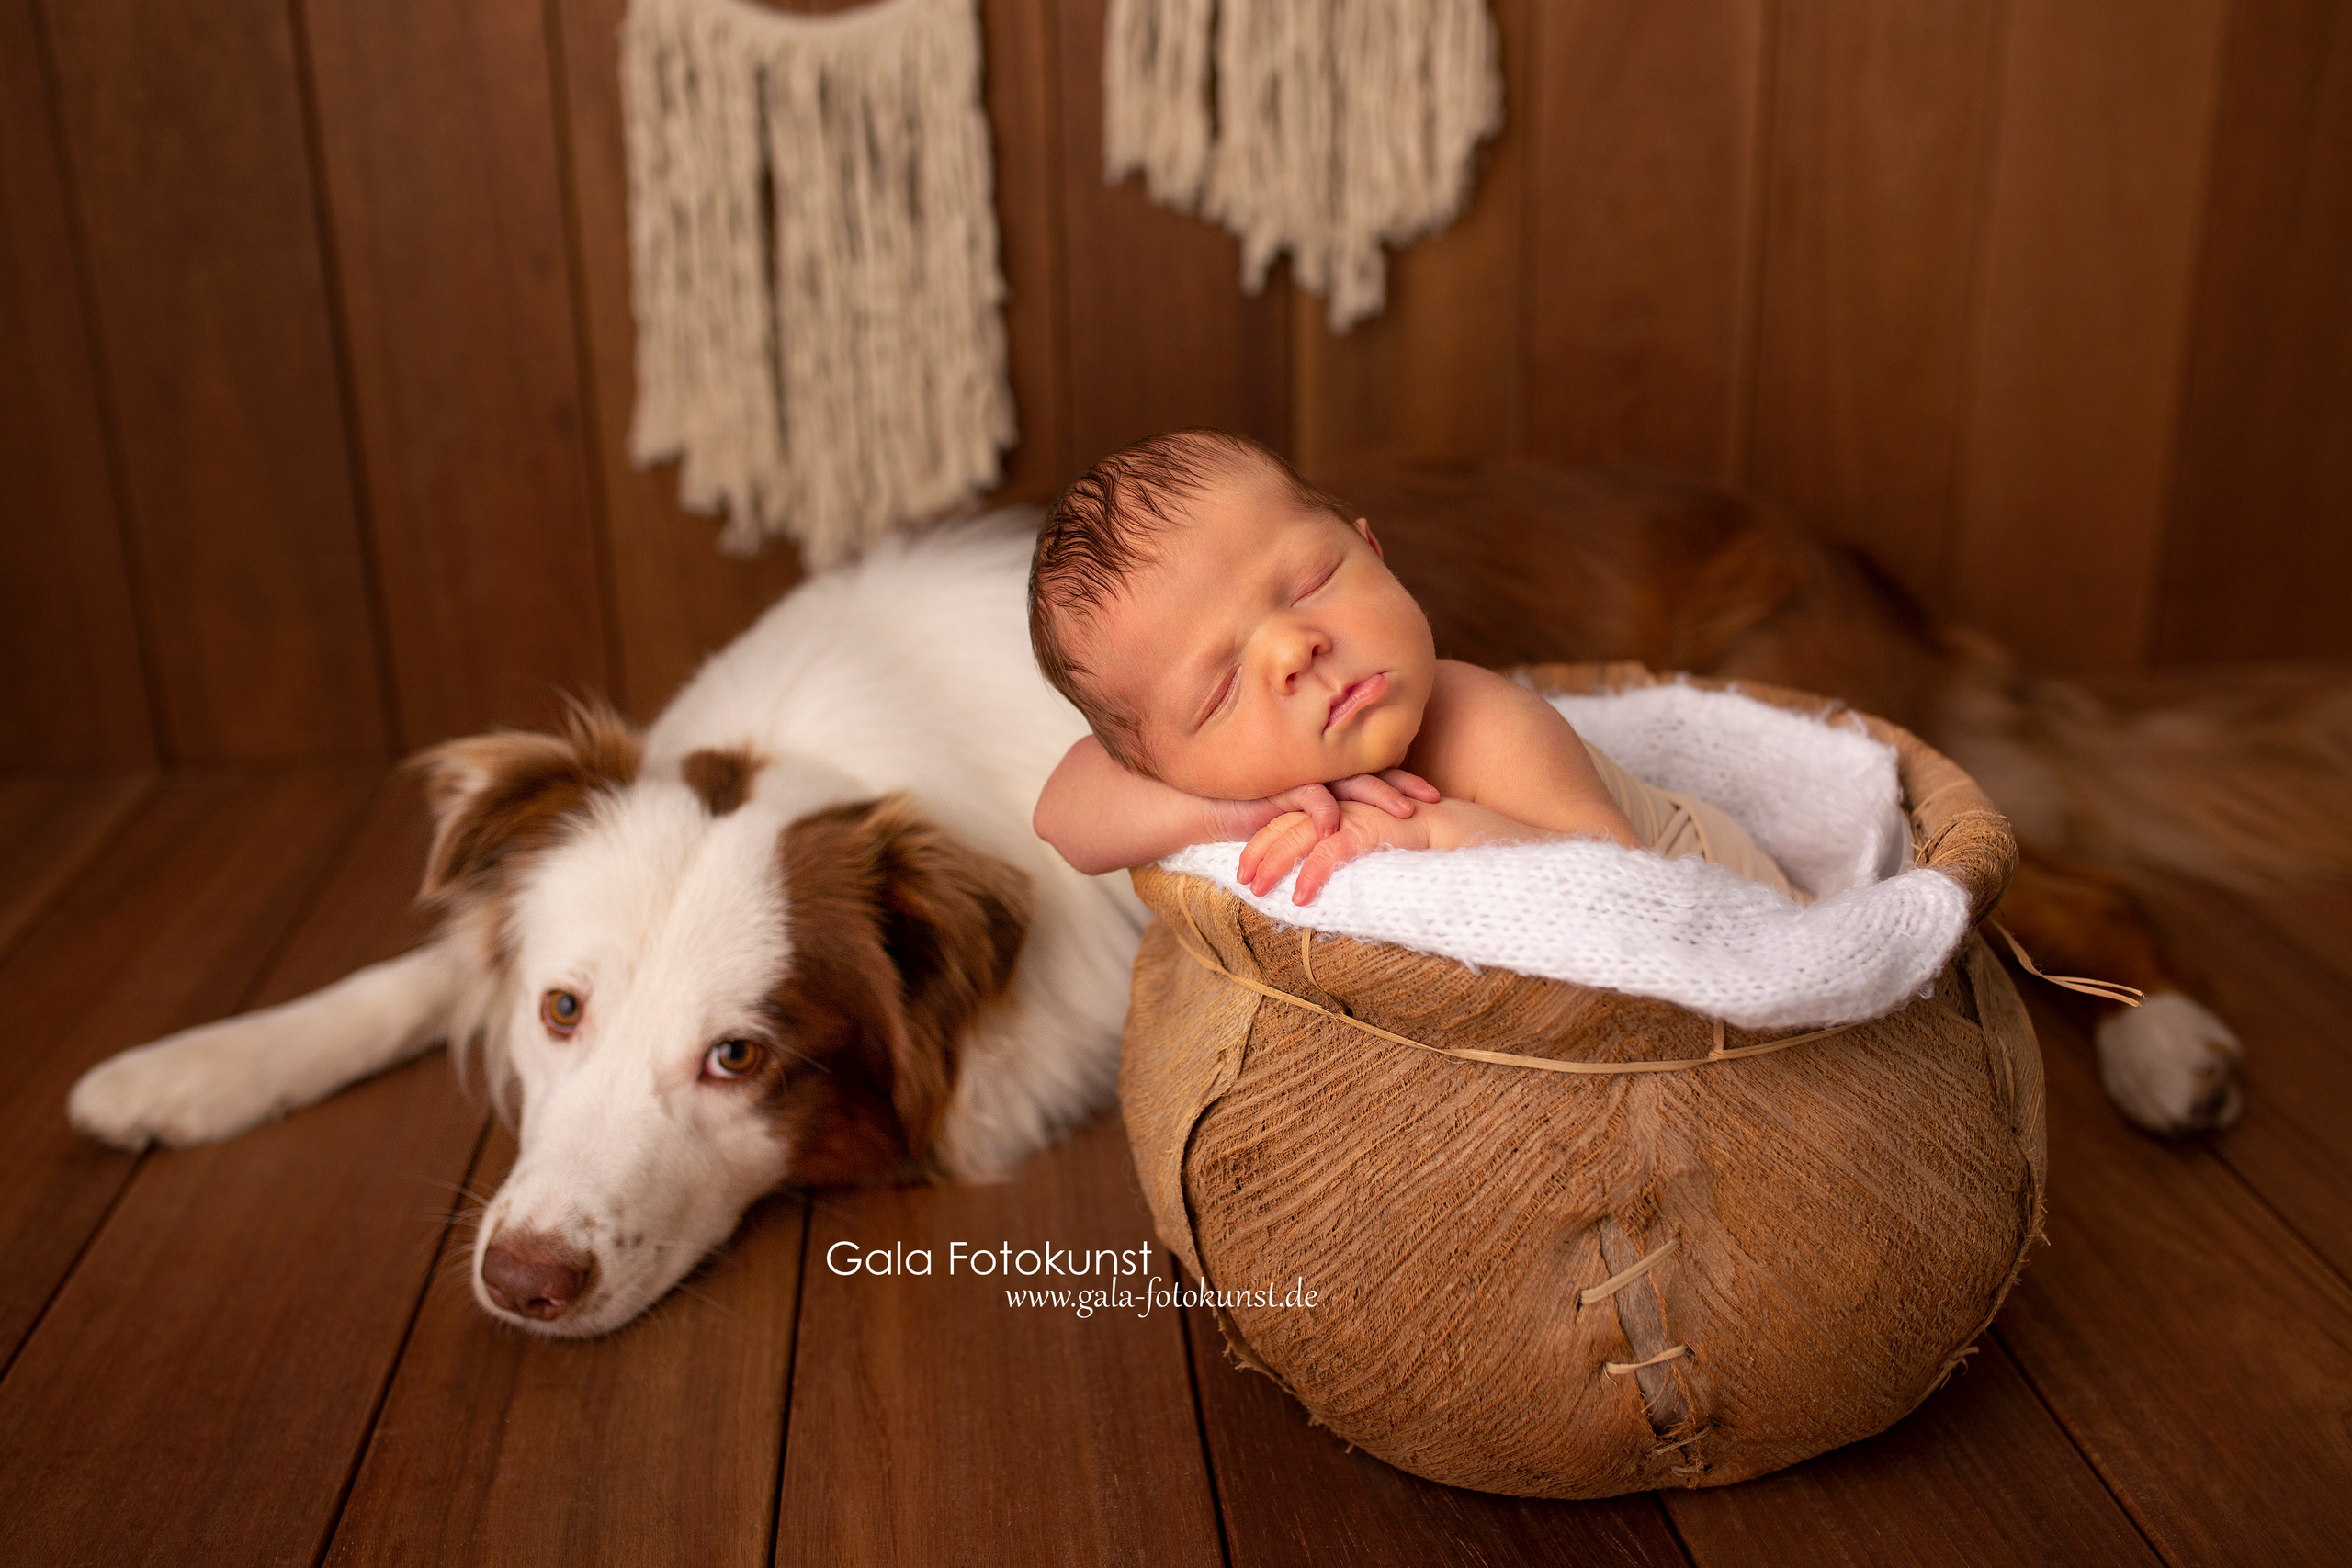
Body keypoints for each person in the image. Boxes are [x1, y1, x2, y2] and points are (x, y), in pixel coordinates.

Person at [1027, 430, 1792, 905]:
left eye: (1312, 583)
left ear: (1376, 553)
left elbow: (1623, 882)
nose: (1294, 648)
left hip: (1724, 895)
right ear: (1160, 762)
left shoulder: (1485, 724)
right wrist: (1230, 812)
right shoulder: (1221, 781)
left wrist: (1429, 831)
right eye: (1222, 687)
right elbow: (1059, 814)